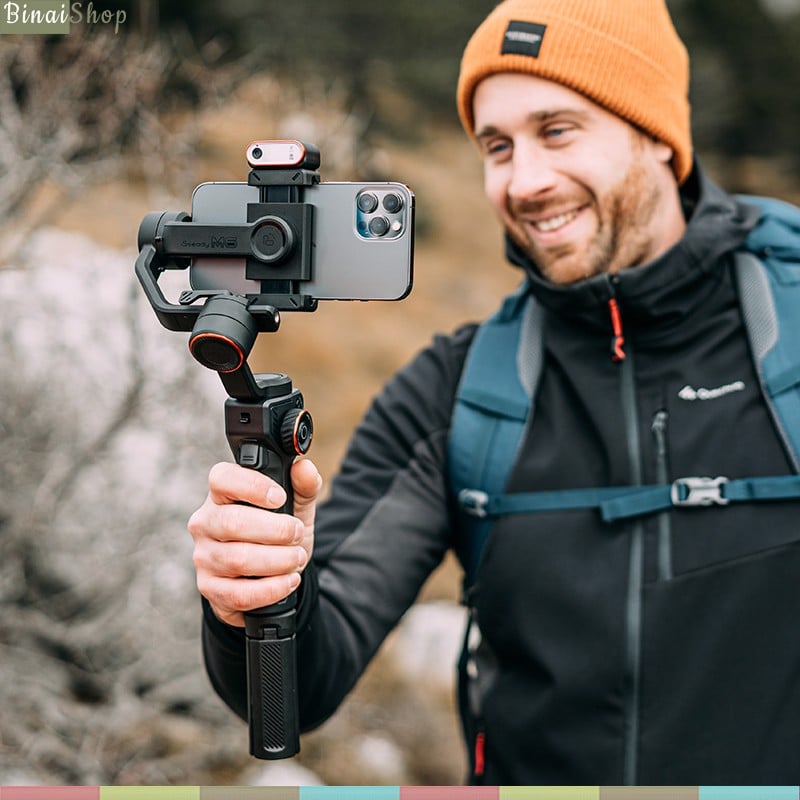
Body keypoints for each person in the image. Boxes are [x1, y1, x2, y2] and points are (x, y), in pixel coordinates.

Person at [187, 0, 800, 785]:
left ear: (658, 135)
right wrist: (256, 598)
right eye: (497, 146)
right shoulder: (458, 394)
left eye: (558, 131)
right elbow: (306, 682)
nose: (525, 181)